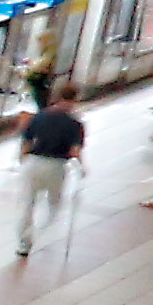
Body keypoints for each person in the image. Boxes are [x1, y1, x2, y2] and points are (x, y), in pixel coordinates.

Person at [14, 78, 91, 260]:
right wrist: (82, 168)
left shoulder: (40, 116)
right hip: (56, 166)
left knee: (27, 205)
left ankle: (24, 243)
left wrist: (23, 160)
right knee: (54, 205)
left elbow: (25, 142)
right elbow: (75, 151)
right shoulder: (75, 124)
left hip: (33, 163)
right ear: (75, 99)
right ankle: (38, 233)